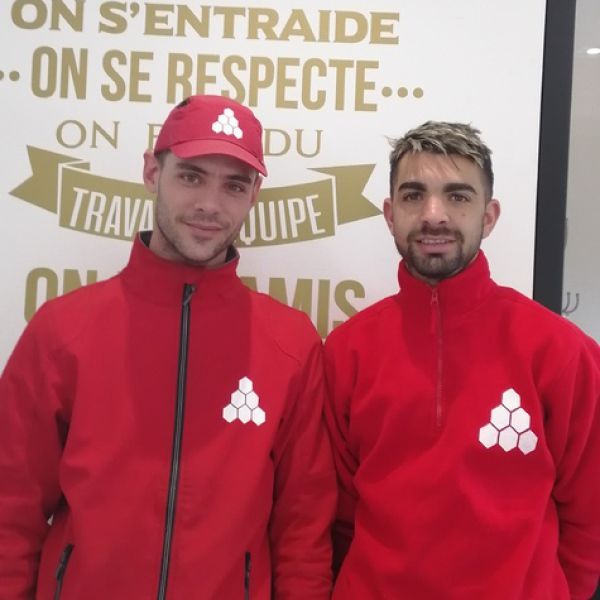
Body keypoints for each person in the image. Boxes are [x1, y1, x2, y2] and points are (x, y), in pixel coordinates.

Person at [0, 95, 336, 599]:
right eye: (191, 176)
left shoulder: (289, 343)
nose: (210, 205)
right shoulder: (62, 331)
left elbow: (302, 530)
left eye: (234, 185)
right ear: (152, 173)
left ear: (254, 195)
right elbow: (10, 509)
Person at [324, 121, 600, 599]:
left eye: (457, 196)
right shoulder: (347, 350)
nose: (434, 215)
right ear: (390, 214)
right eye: (414, 195)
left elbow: (590, 515)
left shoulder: (559, 349)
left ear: (488, 217)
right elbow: (339, 516)